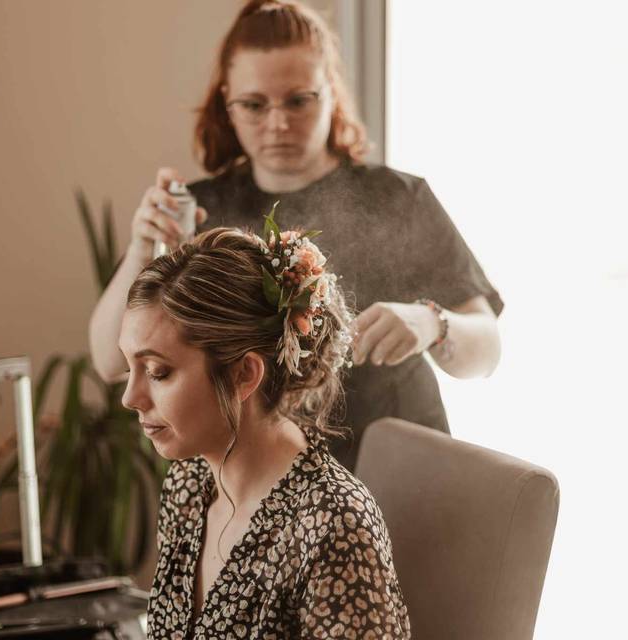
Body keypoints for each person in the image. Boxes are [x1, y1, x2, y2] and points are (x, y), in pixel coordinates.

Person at [90, 0, 502, 471]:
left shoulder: (399, 199)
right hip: (252, 483)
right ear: (227, 101)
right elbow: (110, 362)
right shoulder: (199, 212)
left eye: (299, 100)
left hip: (397, 472)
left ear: (331, 93)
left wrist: (434, 324)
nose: (278, 123)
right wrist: (144, 246)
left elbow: (487, 350)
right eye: (254, 105)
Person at [119, 225, 410, 638]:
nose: (130, 397)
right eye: (129, 368)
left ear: (243, 374)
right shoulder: (189, 485)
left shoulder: (334, 527)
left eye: (157, 372)